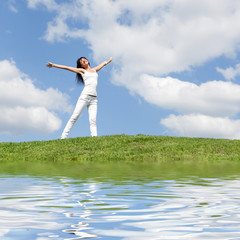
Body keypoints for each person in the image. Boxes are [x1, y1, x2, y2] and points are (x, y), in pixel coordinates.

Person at [46, 56, 113, 139]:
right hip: (84, 97)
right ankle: (63, 137)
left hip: (94, 99)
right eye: (81, 61)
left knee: (93, 120)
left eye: (84, 59)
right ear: (81, 65)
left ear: (87, 61)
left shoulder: (94, 70)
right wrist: (53, 65)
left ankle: (95, 138)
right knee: (75, 117)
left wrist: (108, 61)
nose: (83, 61)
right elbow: (67, 68)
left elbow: (102, 64)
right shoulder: (82, 71)